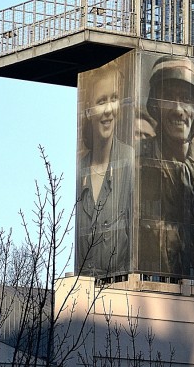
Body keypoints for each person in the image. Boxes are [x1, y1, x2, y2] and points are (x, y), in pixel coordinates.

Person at [138, 55, 194, 282]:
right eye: (169, 99)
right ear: (155, 105)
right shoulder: (139, 160)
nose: (179, 110)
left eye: (186, 99)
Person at [76, 63, 133, 277]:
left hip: (121, 297)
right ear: (89, 109)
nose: (109, 109)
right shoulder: (79, 171)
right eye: (102, 101)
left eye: (114, 98)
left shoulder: (130, 163)